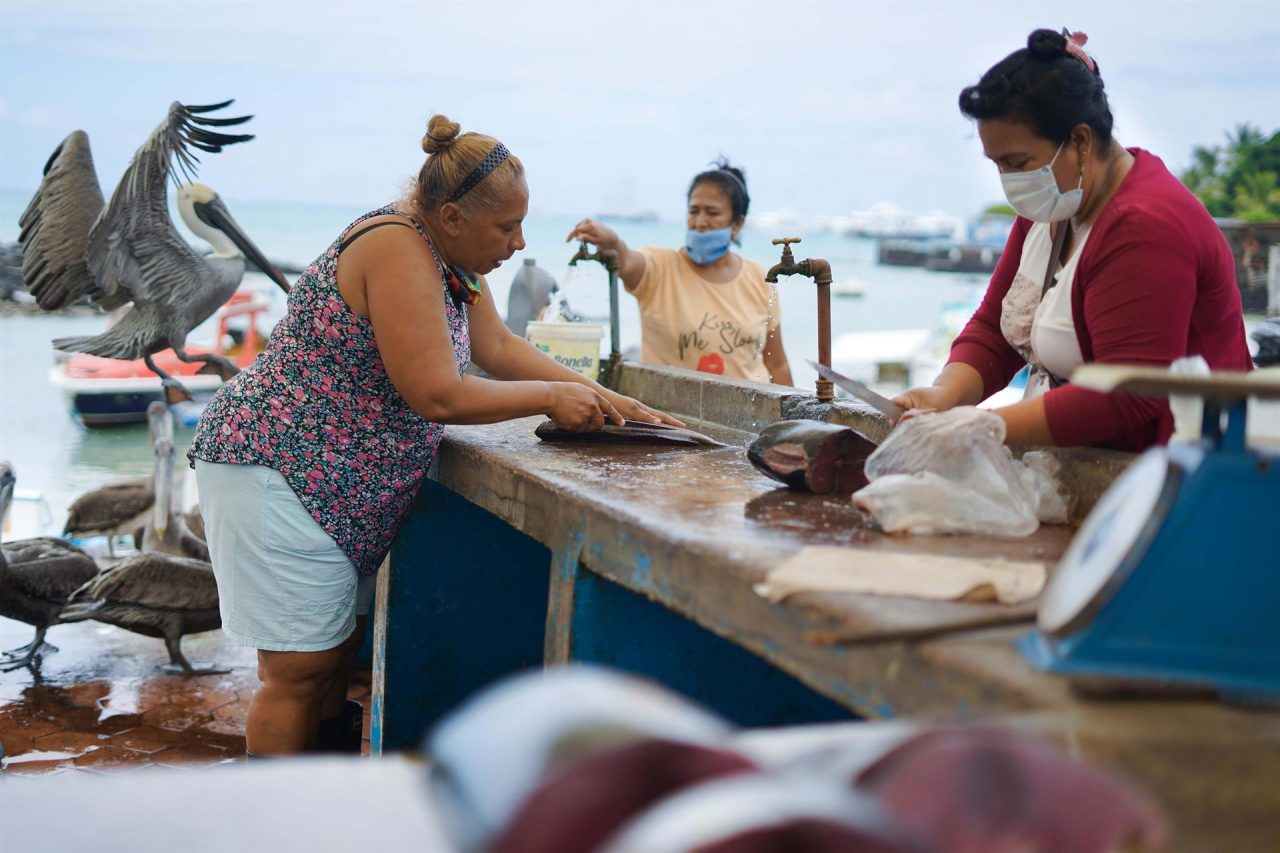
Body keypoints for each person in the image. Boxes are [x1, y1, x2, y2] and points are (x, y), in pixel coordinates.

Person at [188, 115, 681, 757]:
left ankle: (320, 810)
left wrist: (611, 401)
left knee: (332, 662)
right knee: (296, 675)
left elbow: (498, 346)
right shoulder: (397, 247)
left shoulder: (450, 259)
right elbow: (436, 392)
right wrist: (550, 399)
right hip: (277, 468)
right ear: (451, 217)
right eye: (506, 227)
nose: (518, 240)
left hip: (334, 482)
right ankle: (275, 823)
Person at [895, 29, 1252, 452]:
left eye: (1017, 163)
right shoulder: (1055, 204)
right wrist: (945, 395)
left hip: (1182, 472)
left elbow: (1126, 396)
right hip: (1088, 461)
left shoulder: (1143, 227)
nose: (1009, 181)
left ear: (1080, 142)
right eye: (998, 165)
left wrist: (979, 428)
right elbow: (996, 330)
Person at [566, 160, 793, 386]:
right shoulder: (659, 267)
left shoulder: (759, 278)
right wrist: (612, 241)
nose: (700, 222)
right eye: (694, 211)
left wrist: (797, 419)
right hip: (673, 412)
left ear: (737, 223)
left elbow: (776, 364)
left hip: (747, 417)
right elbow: (624, 259)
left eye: (712, 213)